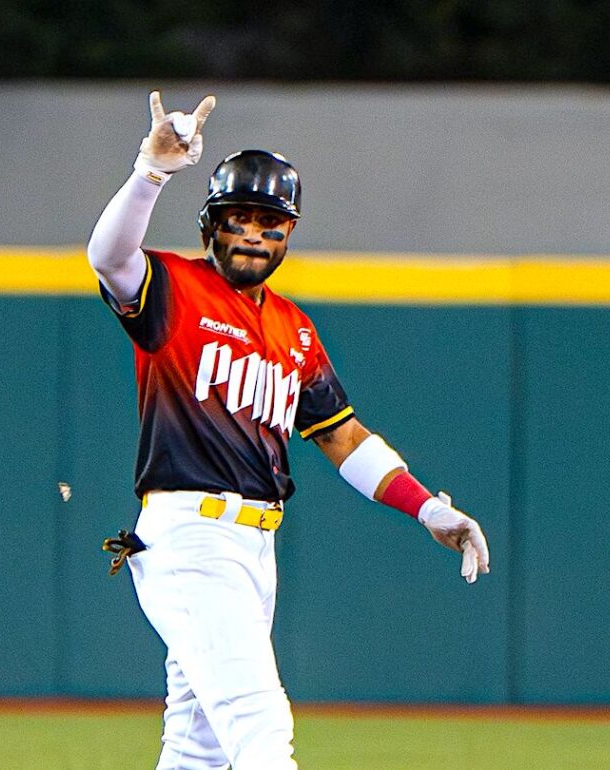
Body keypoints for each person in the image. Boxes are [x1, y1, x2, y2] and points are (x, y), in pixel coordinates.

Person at [87, 90, 490, 770]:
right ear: (211, 225)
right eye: (239, 217)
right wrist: (150, 172)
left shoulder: (294, 328)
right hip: (191, 537)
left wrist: (426, 506)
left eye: (270, 221)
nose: (254, 232)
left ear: (289, 232)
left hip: (253, 551)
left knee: (198, 749)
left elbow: (344, 438)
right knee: (259, 724)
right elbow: (109, 256)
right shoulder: (176, 288)